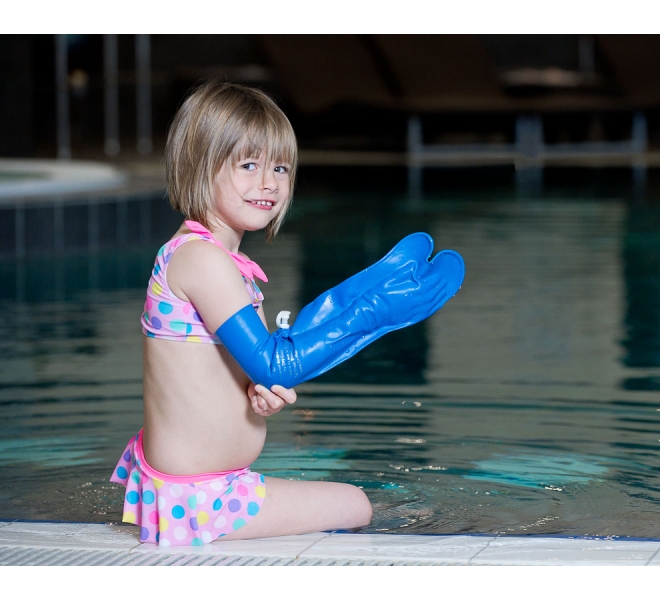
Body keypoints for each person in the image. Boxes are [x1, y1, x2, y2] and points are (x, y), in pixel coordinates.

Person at [110, 80, 464, 548]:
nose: (269, 182)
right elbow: (277, 362)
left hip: (202, 483)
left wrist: (256, 394)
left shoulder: (216, 261)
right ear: (199, 166)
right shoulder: (203, 260)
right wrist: (376, 312)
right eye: (249, 165)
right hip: (199, 497)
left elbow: (244, 369)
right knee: (358, 504)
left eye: (280, 167)